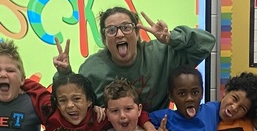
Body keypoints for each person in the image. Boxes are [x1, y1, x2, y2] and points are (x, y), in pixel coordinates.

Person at [51, 7, 216, 112]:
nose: (120, 34)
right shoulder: (93, 68)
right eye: (111, 30)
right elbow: (72, 104)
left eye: (126, 27)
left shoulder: (161, 53)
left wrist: (172, 38)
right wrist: (64, 74)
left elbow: (206, 43)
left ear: (137, 34)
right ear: (104, 39)